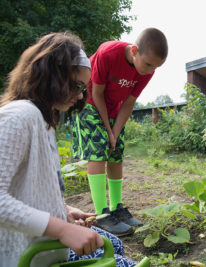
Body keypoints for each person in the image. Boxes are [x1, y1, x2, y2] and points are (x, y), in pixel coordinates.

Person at [0, 32, 136, 266]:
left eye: (84, 87)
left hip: (42, 247)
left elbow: (22, 190)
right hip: (22, 255)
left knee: (114, 245)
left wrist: (63, 211)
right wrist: (61, 229)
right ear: (51, 74)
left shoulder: (43, 121)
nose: (81, 95)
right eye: (76, 85)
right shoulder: (19, 116)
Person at [71, 28, 168, 236]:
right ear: (134, 51)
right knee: (99, 149)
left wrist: (115, 132)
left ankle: (117, 207)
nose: (151, 70)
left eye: (156, 67)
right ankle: (101, 215)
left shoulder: (147, 71)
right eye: (149, 64)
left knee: (116, 152)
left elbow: (129, 103)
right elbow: (96, 93)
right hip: (88, 102)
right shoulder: (108, 53)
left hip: (115, 107)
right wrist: (108, 130)